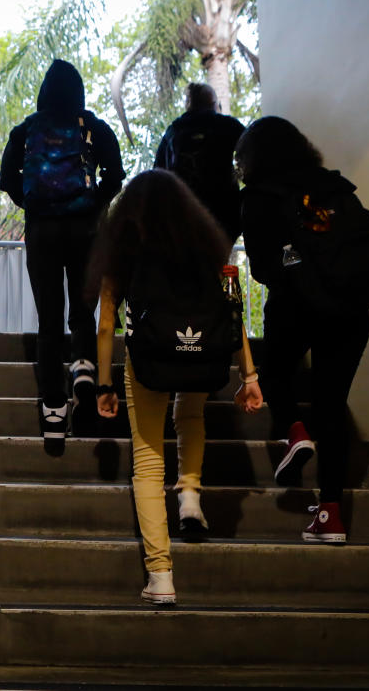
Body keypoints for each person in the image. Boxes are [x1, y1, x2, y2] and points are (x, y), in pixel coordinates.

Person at [88, 170, 262, 605]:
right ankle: (189, 495)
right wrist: (250, 375)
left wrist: (103, 383)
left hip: (149, 358)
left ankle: (161, 574)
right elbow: (234, 310)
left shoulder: (126, 248)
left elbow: (107, 322)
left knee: (147, 463)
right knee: (191, 414)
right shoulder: (211, 245)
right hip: (203, 354)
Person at [235, 116, 369, 544]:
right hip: (351, 309)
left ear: (255, 157)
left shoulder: (258, 198)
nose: (239, 166)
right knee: (332, 404)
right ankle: (331, 516)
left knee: (273, 370)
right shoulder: (333, 185)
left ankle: (294, 431)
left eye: (241, 157)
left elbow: (262, 270)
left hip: (297, 306)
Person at [0, 60, 125, 450]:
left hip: (43, 233)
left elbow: (7, 179)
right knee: (83, 309)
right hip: (86, 231)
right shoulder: (93, 126)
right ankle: (84, 369)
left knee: (49, 322)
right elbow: (116, 175)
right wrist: (92, 205)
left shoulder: (26, 129)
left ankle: (54, 411)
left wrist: (34, 207)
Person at [150, 82, 247, 534]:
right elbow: (248, 171)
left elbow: (155, 186)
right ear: (214, 102)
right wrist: (249, 371)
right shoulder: (230, 128)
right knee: (191, 398)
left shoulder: (173, 130)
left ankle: (152, 495)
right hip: (214, 256)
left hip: (167, 268)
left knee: (154, 393)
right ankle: (189, 495)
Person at [153, 82, 245, 243]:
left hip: (183, 216)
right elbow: (254, 148)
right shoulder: (227, 125)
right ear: (214, 104)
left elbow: (157, 175)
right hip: (223, 215)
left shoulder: (173, 130)